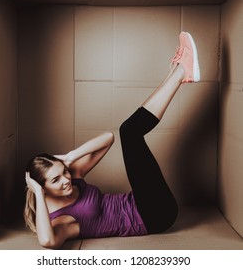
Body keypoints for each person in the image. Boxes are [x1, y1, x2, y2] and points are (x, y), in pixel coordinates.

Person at [24, 32, 200, 249]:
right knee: (130, 132)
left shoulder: (72, 177)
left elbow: (108, 138)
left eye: (64, 173)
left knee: (126, 132)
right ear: (42, 189)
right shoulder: (62, 219)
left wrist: (69, 157)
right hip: (153, 217)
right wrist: (37, 194)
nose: (65, 180)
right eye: (55, 181)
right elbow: (47, 240)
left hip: (142, 201)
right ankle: (182, 70)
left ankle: (178, 73)